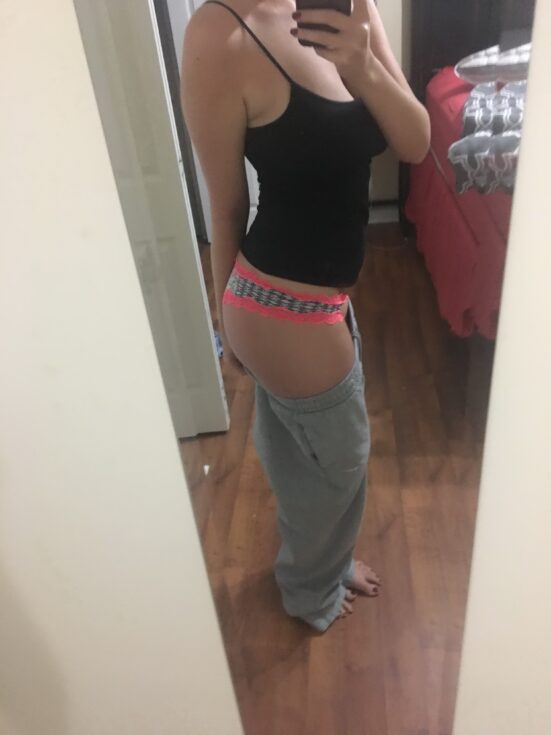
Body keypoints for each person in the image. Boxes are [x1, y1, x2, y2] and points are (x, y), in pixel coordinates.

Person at [181, 0, 430, 632]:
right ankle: (308, 589)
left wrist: (364, 66)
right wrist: (226, 323)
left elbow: (415, 141)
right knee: (340, 464)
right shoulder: (219, 33)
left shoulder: (352, 7)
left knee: (304, 457)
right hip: (276, 303)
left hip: (322, 299)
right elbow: (227, 205)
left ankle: (323, 563)